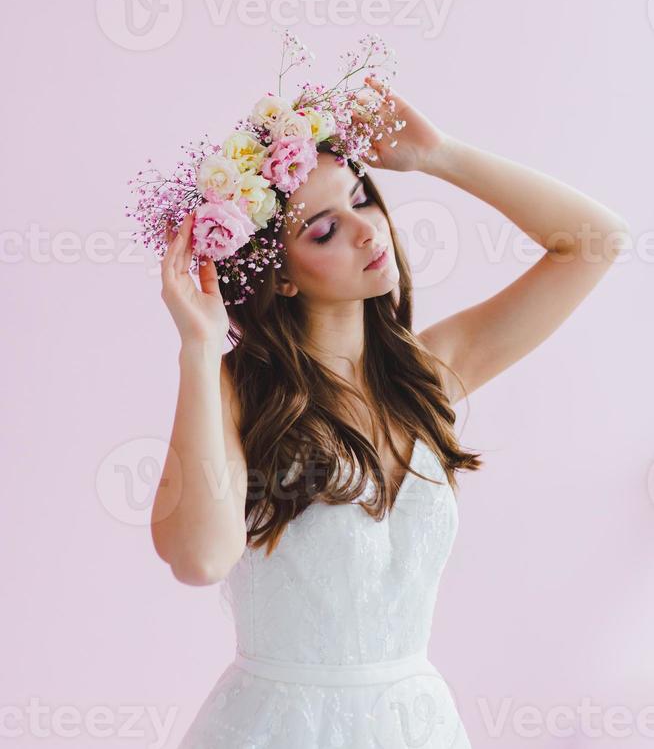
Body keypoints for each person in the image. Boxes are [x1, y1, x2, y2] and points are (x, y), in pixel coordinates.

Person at [146, 58, 629, 749]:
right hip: (276, 730)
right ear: (276, 277)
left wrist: (439, 156)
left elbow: (596, 242)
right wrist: (198, 348)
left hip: (416, 724)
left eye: (363, 198)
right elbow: (198, 561)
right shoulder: (235, 393)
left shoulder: (429, 373)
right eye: (324, 229)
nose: (369, 230)